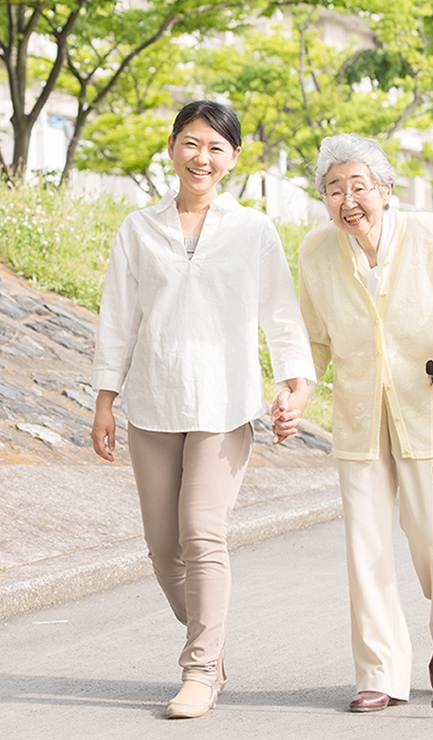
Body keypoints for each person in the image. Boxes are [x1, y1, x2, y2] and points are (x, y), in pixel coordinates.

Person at [91, 100, 315, 719]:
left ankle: (198, 671)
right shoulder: (138, 228)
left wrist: (295, 383)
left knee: (201, 531)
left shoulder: (254, 231)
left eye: (216, 148)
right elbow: (119, 318)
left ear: (233, 159)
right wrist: (105, 399)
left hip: (223, 404)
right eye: (192, 144)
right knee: (163, 547)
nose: (202, 157)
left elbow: (280, 314)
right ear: (172, 148)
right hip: (153, 403)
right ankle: (212, 647)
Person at [274, 133, 433, 711]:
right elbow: (314, 341)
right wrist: (296, 391)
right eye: (333, 188)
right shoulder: (317, 250)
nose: (348, 199)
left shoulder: (430, 236)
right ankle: (380, 673)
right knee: (365, 544)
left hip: (431, 407)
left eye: (358, 186)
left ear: (385, 190)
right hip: (358, 416)